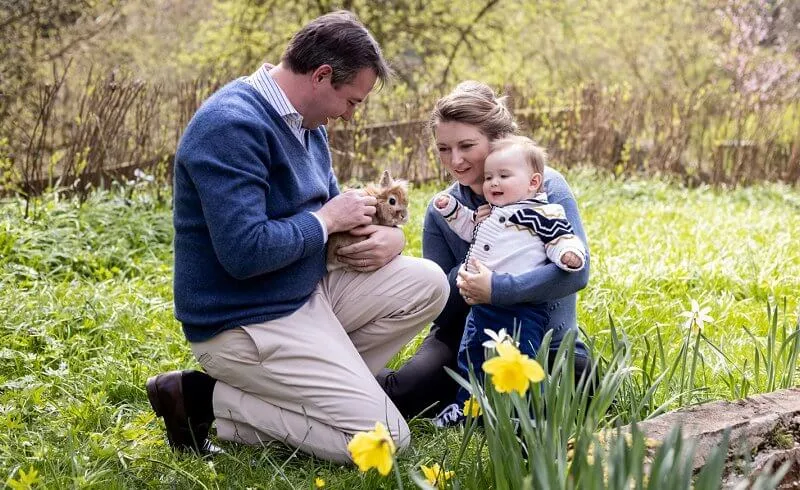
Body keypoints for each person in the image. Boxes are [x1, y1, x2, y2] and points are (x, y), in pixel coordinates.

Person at [145, 11, 449, 462]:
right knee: (385, 443)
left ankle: (323, 395)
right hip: (247, 319)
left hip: (304, 294)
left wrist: (389, 238)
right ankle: (202, 398)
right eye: (351, 101)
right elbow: (244, 253)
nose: (349, 115)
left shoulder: (306, 125)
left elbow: (334, 218)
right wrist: (326, 221)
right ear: (322, 76)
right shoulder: (230, 127)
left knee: (428, 282)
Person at [378, 81, 592, 419]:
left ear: (496, 141)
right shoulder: (444, 209)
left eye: (466, 145)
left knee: (564, 401)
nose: (455, 160)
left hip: (545, 337)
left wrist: (498, 288)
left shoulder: (545, 187)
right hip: (464, 335)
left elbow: (575, 273)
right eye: (444, 149)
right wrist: (477, 256)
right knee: (402, 396)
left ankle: (469, 396)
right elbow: (442, 307)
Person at [430, 134, 587, 426]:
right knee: (472, 357)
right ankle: (467, 408)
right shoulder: (489, 215)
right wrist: (450, 210)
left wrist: (568, 253)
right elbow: (467, 228)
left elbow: (559, 239)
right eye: (490, 177)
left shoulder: (540, 213)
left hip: (521, 310)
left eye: (503, 176)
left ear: (533, 183)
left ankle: (522, 414)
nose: (493, 183)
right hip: (479, 309)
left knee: (519, 358)